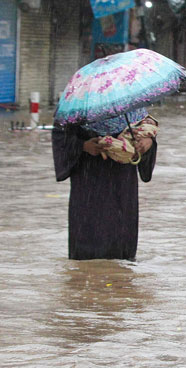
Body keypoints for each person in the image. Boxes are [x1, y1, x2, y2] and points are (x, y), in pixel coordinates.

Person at [51, 108, 158, 260]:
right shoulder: (76, 109)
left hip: (122, 181)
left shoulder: (131, 105)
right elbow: (60, 137)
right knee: (87, 242)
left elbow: (146, 132)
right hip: (89, 181)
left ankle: (121, 274)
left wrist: (148, 143)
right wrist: (84, 146)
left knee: (121, 243)